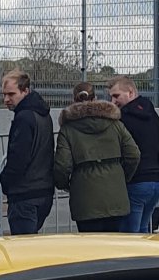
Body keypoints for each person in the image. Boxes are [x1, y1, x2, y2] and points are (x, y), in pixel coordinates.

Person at [54, 81, 139, 233]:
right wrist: (121, 176)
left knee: (90, 249)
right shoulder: (115, 124)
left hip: (84, 199)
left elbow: (63, 164)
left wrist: (65, 184)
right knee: (115, 248)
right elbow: (133, 154)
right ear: (96, 98)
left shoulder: (68, 129)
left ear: (74, 100)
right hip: (115, 196)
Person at [0, 70, 55, 235]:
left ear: (25, 91)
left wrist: (5, 180)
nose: (6, 99)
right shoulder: (43, 115)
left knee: (23, 249)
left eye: (11, 94)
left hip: (25, 193)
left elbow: (18, 158)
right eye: (4, 94)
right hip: (43, 190)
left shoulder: (24, 118)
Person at [107, 75, 159, 233]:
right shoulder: (152, 114)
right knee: (142, 232)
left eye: (116, 96)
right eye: (111, 96)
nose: (113, 101)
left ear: (130, 92)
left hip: (136, 182)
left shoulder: (123, 119)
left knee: (128, 237)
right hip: (155, 181)